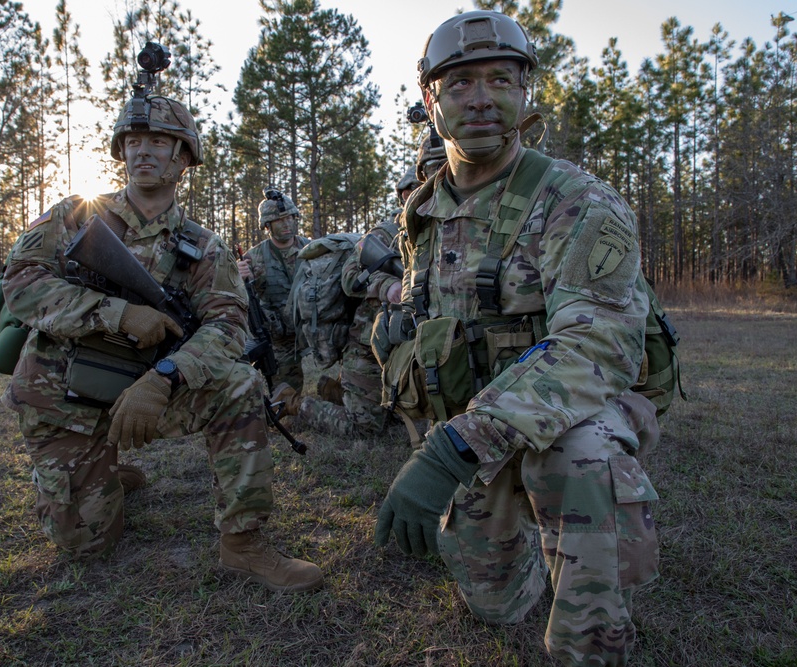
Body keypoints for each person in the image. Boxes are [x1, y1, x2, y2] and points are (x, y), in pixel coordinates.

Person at [372, 10, 661, 665]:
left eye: (500, 79)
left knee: (579, 455)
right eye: (461, 82)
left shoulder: (573, 200)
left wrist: (449, 451)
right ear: (431, 99)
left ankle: (592, 639)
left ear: (525, 92)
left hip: (570, 417)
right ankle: (523, 537)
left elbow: (596, 349)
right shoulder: (424, 210)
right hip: (478, 431)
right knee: (495, 602)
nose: (480, 98)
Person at [0, 93, 322, 593]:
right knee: (85, 547)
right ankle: (101, 467)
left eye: (157, 141)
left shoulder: (204, 247)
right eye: (132, 141)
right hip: (63, 397)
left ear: (184, 158)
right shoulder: (77, 214)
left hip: (147, 392)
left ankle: (242, 544)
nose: (141, 151)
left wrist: (165, 378)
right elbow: (19, 286)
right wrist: (119, 313)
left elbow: (227, 327)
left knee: (240, 384)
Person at [271, 167, 417, 439]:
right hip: (370, 348)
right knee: (364, 429)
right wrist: (388, 286)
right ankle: (292, 402)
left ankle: (337, 390)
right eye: (414, 191)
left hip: (412, 343)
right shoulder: (386, 233)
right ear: (404, 196)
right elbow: (350, 278)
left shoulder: (446, 231)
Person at [237, 189, 310, 391]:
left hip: (314, 329)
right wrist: (239, 277)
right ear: (267, 225)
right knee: (286, 390)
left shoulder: (312, 249)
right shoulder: (254, 257)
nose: (287, 224)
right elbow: (239, 299)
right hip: (281, 338)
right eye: (280, 220)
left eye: (289, 218)